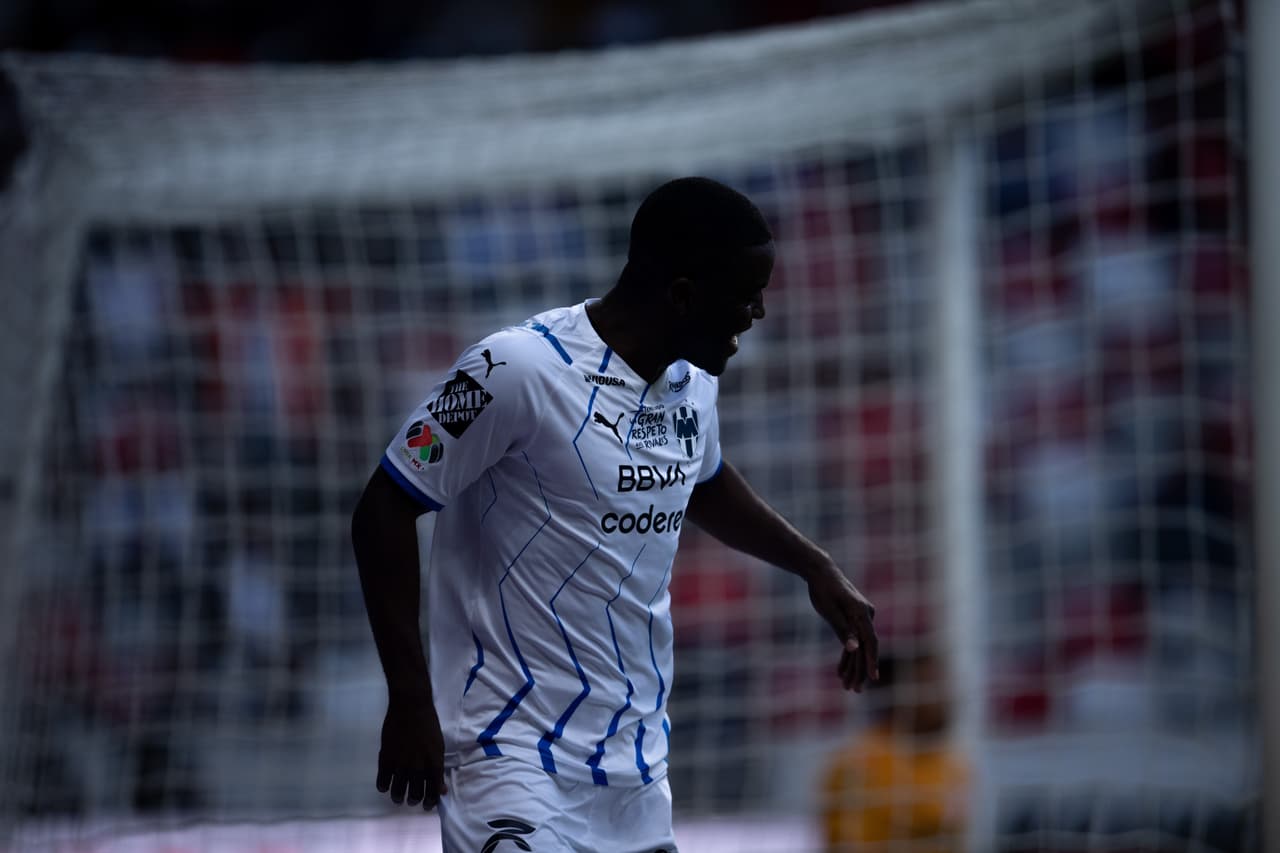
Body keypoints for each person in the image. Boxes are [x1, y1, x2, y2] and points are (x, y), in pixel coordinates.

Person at [351, 176, 879, 852]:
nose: (758, 313)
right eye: (746, 294)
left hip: (636, 775)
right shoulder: (512, 369)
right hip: (510, 758)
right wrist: (409, 697)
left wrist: (813, 564)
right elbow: (385, 504)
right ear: (683, 295)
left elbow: (702, 480)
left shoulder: (693, 383)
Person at [819, 651, 969, 853]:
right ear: (899, 694)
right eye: (932, 686)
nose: (946, 697)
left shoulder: (952, 763)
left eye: (945, 684)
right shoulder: (857, 763)